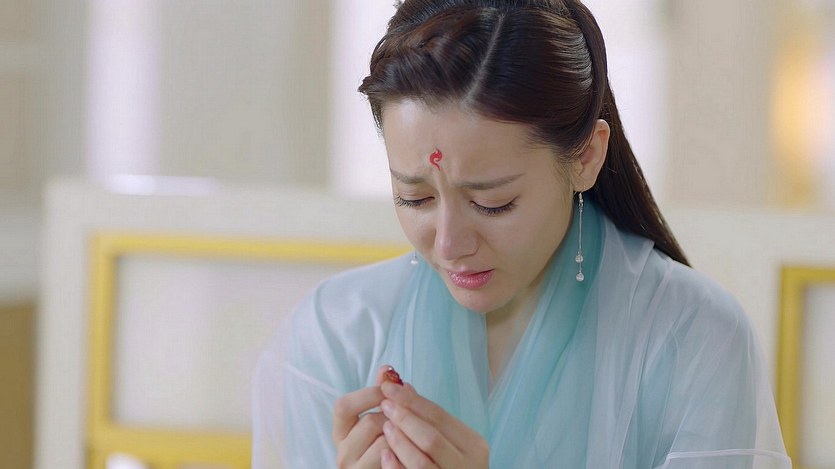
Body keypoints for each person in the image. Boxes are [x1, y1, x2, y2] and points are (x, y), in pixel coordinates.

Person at [252, 0, 791, 467]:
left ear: (586, 157)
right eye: (415, 198)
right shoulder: (337, 334)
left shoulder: (690, 338)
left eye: (493, 203)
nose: (449, 245)